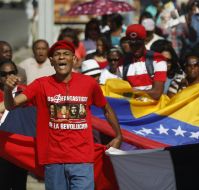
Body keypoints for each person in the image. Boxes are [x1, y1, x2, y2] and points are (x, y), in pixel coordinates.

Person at [2, 40, 122, 190]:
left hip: (82, 160)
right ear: (51, 61)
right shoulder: (40, 85)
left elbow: (106, 109)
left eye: (66, 54)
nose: (61, 57)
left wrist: (118, 136)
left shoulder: (89, 84)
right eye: (57, 55)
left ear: (74, 59)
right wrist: (7, 90)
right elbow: (11, 105)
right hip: (53, 160)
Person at [118, 24, 167, 100]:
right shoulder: (122, 63)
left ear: (144, 41)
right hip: (132, 109)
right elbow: (120, 92)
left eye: (138, 44)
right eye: (132, 45)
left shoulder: (158, 59)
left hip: (153, 109)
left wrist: (136, 92)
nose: (135, 48)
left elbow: (157, 93)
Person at [0, 59, 28, 190]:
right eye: (3, 74)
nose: (8, 77)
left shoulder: (24, 93)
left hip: (19, 150)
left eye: (11, 73)